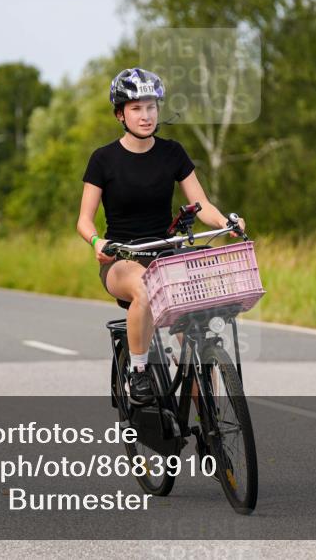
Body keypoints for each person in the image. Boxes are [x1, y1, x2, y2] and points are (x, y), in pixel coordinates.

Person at [76, 68, 245, 406]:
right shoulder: (103, 160)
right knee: (145, 288)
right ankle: (139, 372)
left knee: (195, 330)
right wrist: (99, 243)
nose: (146, 115)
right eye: (136, 108)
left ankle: (206, 419)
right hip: (123, 258)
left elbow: (201, 206)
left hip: (167, 254)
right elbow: (84, 220)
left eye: (151, 107)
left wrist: (228, 221)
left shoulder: (172, 153)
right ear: (120, 114)